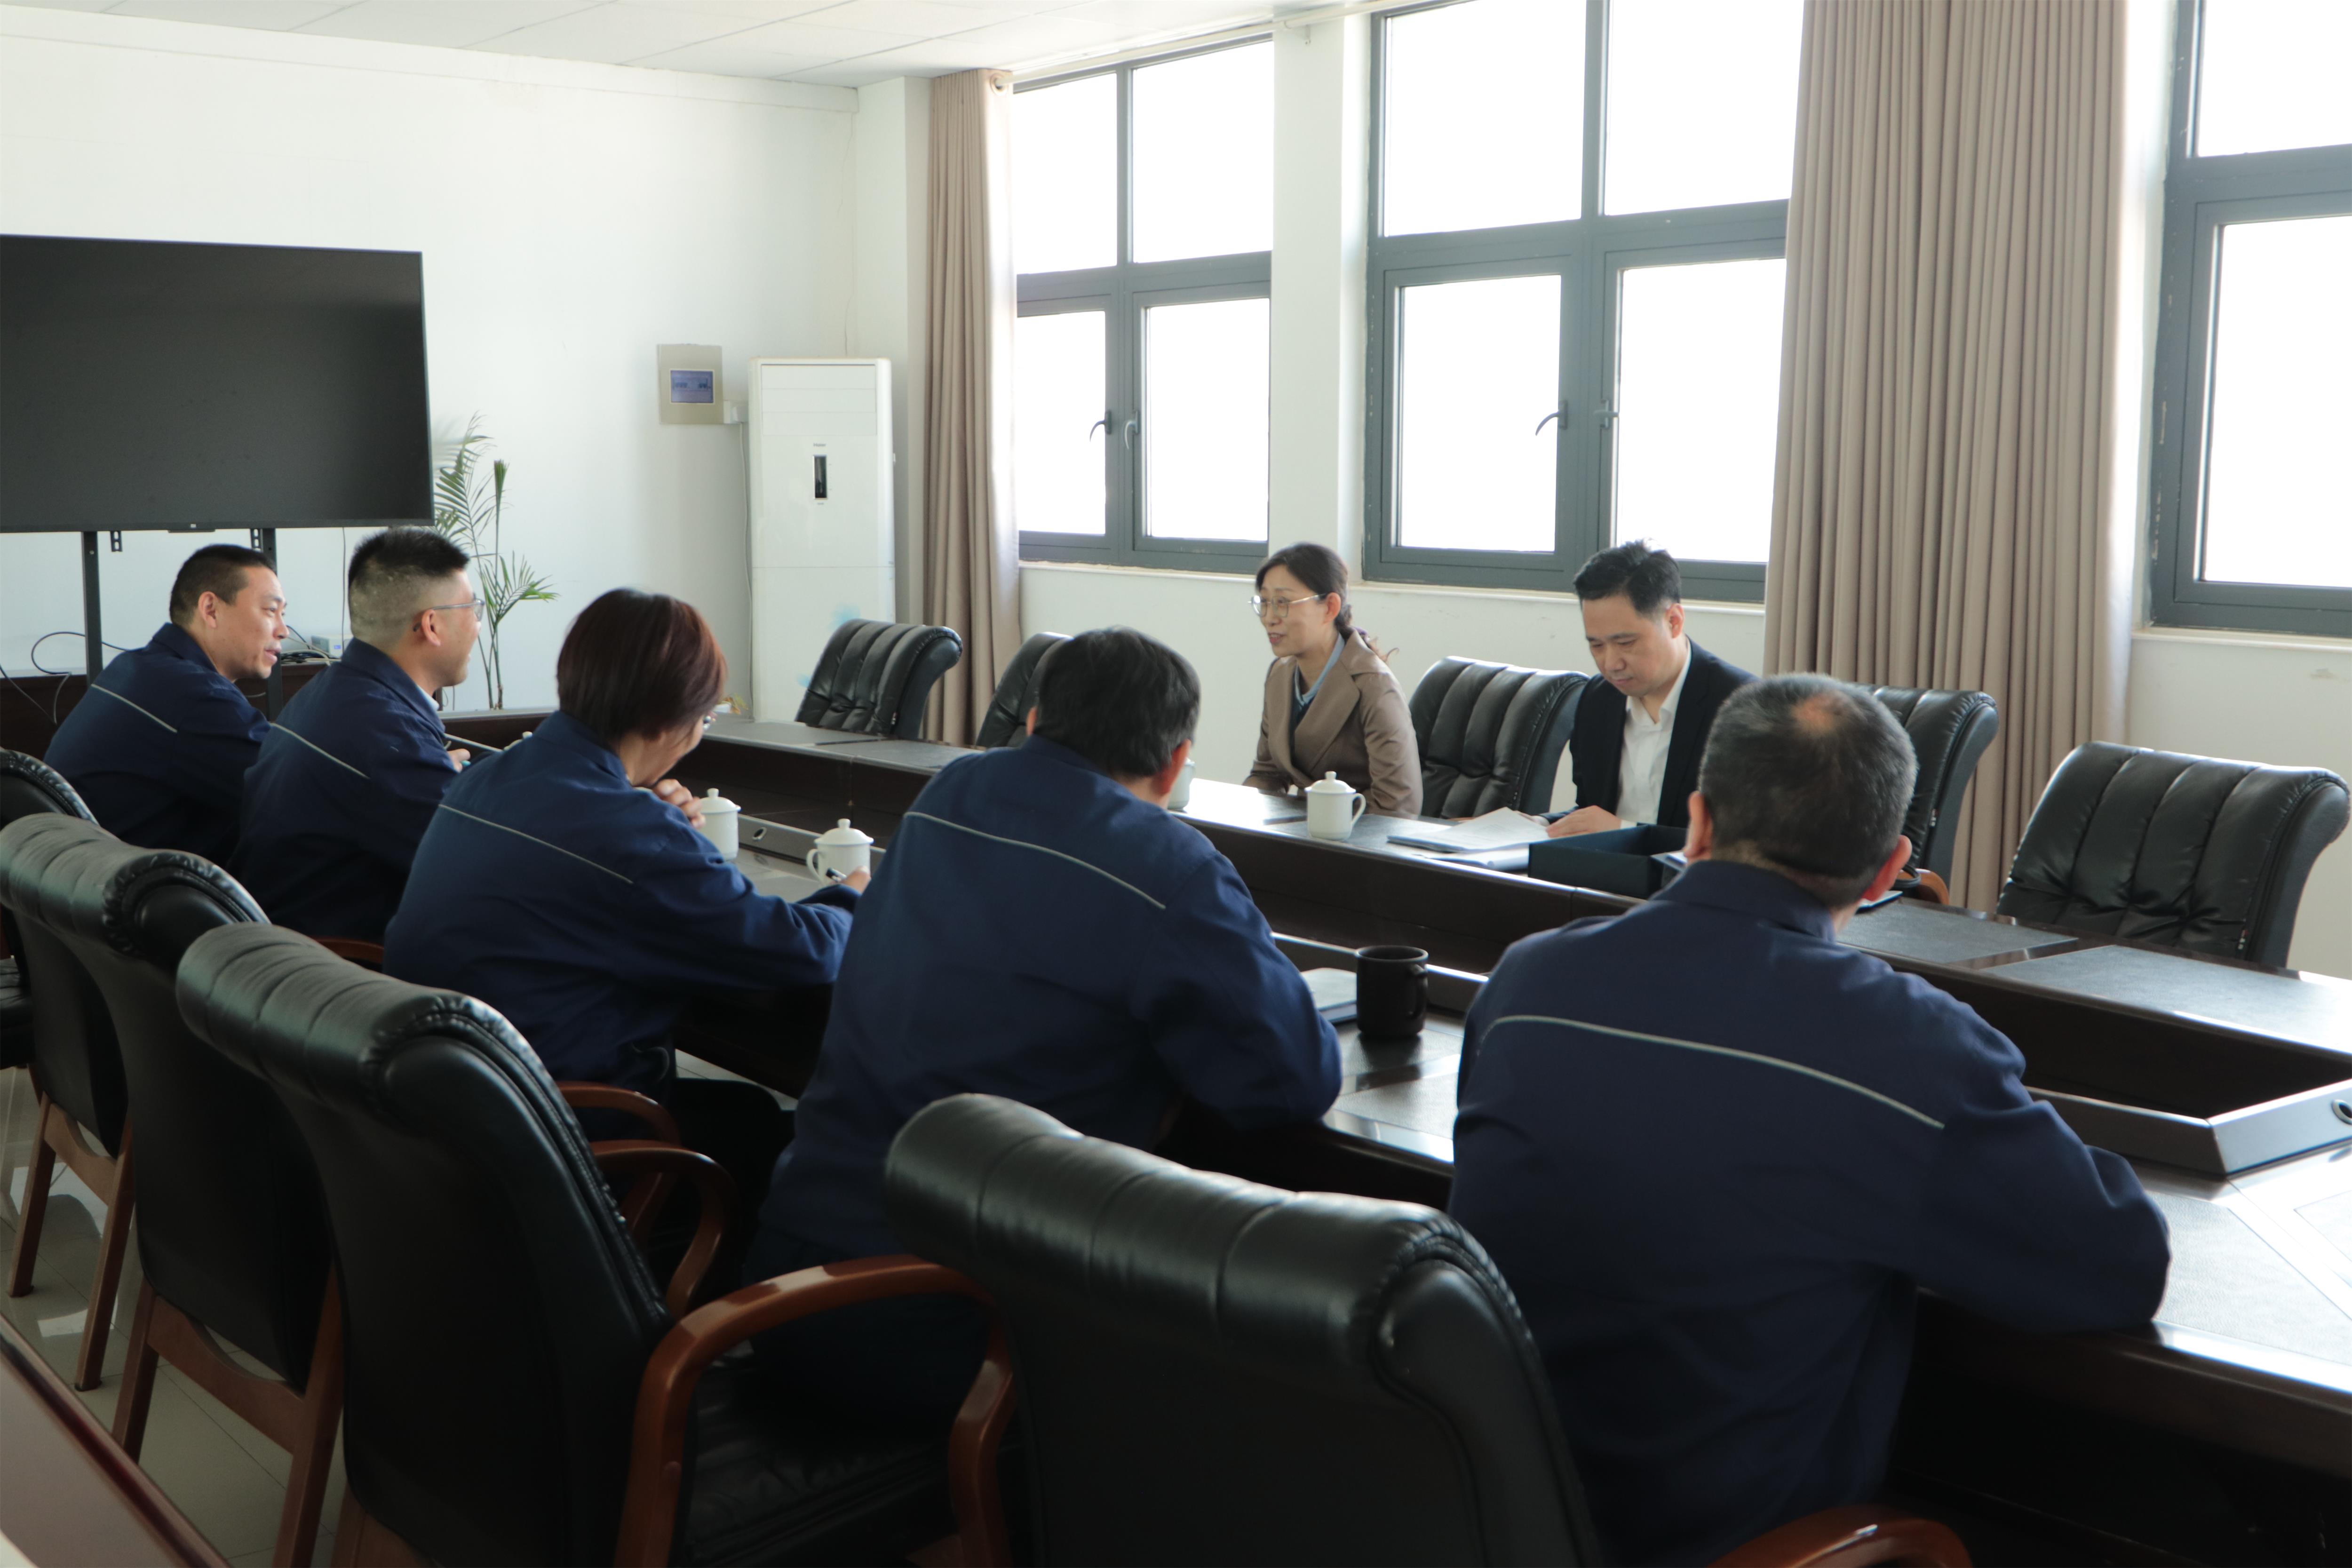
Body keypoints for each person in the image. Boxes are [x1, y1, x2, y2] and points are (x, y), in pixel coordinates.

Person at [1451, 676, 2170, 1566]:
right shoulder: (1908, 1048)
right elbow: (2115, 1265)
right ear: (1888, 871)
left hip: (1482, 1526)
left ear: (1698, 823)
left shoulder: (1525, 983)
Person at [752, 627, 1341, 1419]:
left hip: (784, 1284)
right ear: (1176, 764)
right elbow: (1293, 1080)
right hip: (957, 1331)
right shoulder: (1170, 866)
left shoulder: (950, 793)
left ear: (1033, 722)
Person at [384, 588, 857, 1206]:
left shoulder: (488, 777)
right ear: (664, 721)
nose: (699, 734)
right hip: (562, 1147)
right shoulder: (631, 835)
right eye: (704, 719)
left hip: (453, 1126)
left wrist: (651, 822)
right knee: (770, 1131)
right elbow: (801, 952)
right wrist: (853, 896)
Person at [233, 528, 479, 941]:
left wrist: (433, 773)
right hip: (339, 965)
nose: (477, 625)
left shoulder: (333, 693)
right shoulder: (387, 737)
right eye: (472, 608)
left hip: (277, 949)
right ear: (432, 625)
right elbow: (475, 866)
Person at [45, 544, 284, 863]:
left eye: (283, 615)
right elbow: (292, 787)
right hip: (138, 887)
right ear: (211, 609)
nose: (282, 630)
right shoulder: (197, 697)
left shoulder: (134, 667)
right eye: (270, 611)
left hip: (79, 877)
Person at [1546, 541, 1751, 838]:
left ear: (1674, 622)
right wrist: (1538, 825)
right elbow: (1591, 814)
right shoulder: (1597, 699)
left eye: (1626, 643)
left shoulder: (1740, 708)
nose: (1611, 664)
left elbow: (1740, 843)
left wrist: (1625, 834)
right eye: (1597, 645)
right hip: (1600, 866)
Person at [1243, 542, 1422, 818]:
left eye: (1282, 603)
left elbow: (1397, 808)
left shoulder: (1374, 685)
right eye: (1264, 603)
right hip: (1301, 832)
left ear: (1329, 607)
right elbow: (1267, 774)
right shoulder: (1280, 674)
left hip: (1355, 835)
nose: (1269, 618)